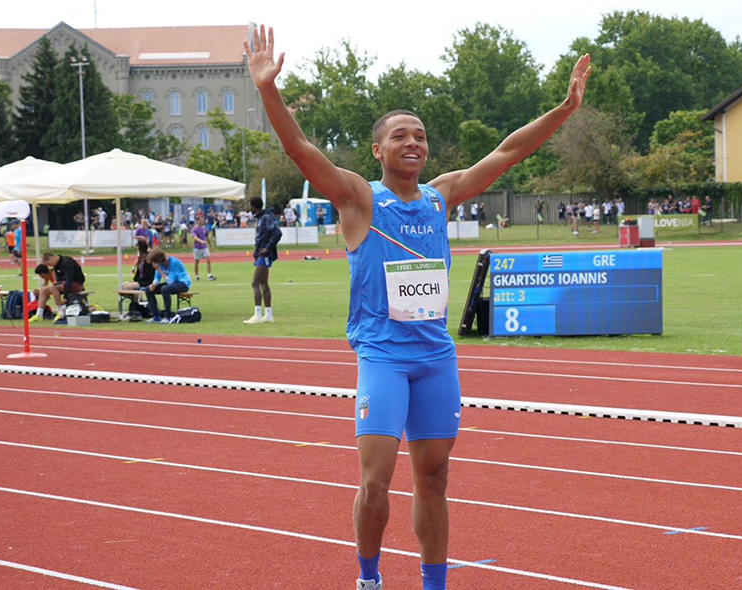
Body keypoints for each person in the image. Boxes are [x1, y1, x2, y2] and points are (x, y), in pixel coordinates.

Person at [245, 24, 590, 590]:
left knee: (434, 477)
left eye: (422, 137)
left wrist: (565, 108)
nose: (414, 144)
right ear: (379, 149)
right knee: (376, 480)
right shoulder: (358, 197)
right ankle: (369, 578)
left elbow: (510, 149)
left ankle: (435, 584)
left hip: (435, 357)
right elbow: (299, 149)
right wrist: (268, 91)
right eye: (402, 136)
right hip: (383, 355)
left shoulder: (441, 195)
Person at [245, 196, 279, 324]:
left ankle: (257, 315)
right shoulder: (262, 218)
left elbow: (277, 233)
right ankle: (269, 315)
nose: (250, 209)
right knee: (264, 284)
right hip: (262, 254)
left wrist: (267, 248)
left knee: (255, 283)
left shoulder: (265, 218)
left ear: (254, 206)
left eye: (251, 206)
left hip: (264, 255)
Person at [29, 252, 85, 323]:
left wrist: (65, 297)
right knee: (43, 290)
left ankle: (60, 311)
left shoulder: (67, 261)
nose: (50, 266)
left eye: (49, 264)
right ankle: (39, 314)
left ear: (51, 258)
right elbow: (58, 281)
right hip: (64, 285)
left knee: (53, 288)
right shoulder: (56, 267)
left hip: (76, 284)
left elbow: (69, 279)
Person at [144, 247, 192, 324]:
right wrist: (154, 284)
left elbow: (170, 281)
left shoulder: (174, 262)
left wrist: (159, 269)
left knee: (165, 289)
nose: (154, 264)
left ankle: (168, 316)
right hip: (172, 283)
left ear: (159, 260)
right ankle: (156, 316)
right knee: (148, 290)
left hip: (183, 283)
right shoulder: (160, 264)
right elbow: (157, 277)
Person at [191, 217, 217, 282]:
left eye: (203, 220)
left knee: (208, 260)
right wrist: (201, 241)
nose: (202, 221)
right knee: (197, 262)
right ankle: (196, 276)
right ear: (197, 221)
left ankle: (209, 275)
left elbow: (207, 237)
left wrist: (210, 246)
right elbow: (195, 237)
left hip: (204, 247)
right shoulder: (194, 229)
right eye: (201, 220)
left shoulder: (204, 228)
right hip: (197, 248)